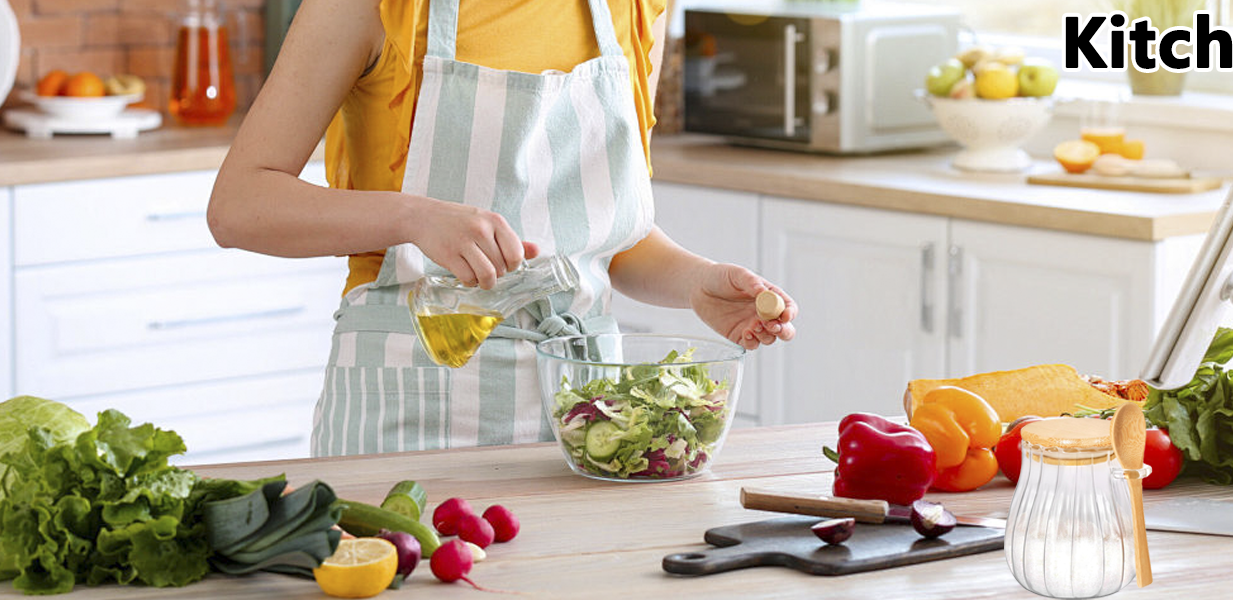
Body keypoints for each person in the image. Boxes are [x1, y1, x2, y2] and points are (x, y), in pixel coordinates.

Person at [207, 0, 798, 457]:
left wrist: (695, 283)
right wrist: (413, 216)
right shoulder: (379, 8)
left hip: (582, 422)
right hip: (405, 419)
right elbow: (239, 205)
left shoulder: (633, 10)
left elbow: (603, 236)